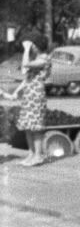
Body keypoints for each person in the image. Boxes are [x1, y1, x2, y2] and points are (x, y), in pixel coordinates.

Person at [1, 35, 52, 166]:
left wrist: (26, 49)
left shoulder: (45, 59)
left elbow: (25, 64)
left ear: (37, 46)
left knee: (35, 127)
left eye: (33, 45)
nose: (31, 47)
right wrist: (16, 91)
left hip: (36, 95)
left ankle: (38, 156)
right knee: (28, 126)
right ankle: (31, 154)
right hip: (29, 95)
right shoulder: (36, 59)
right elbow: (26, 77)